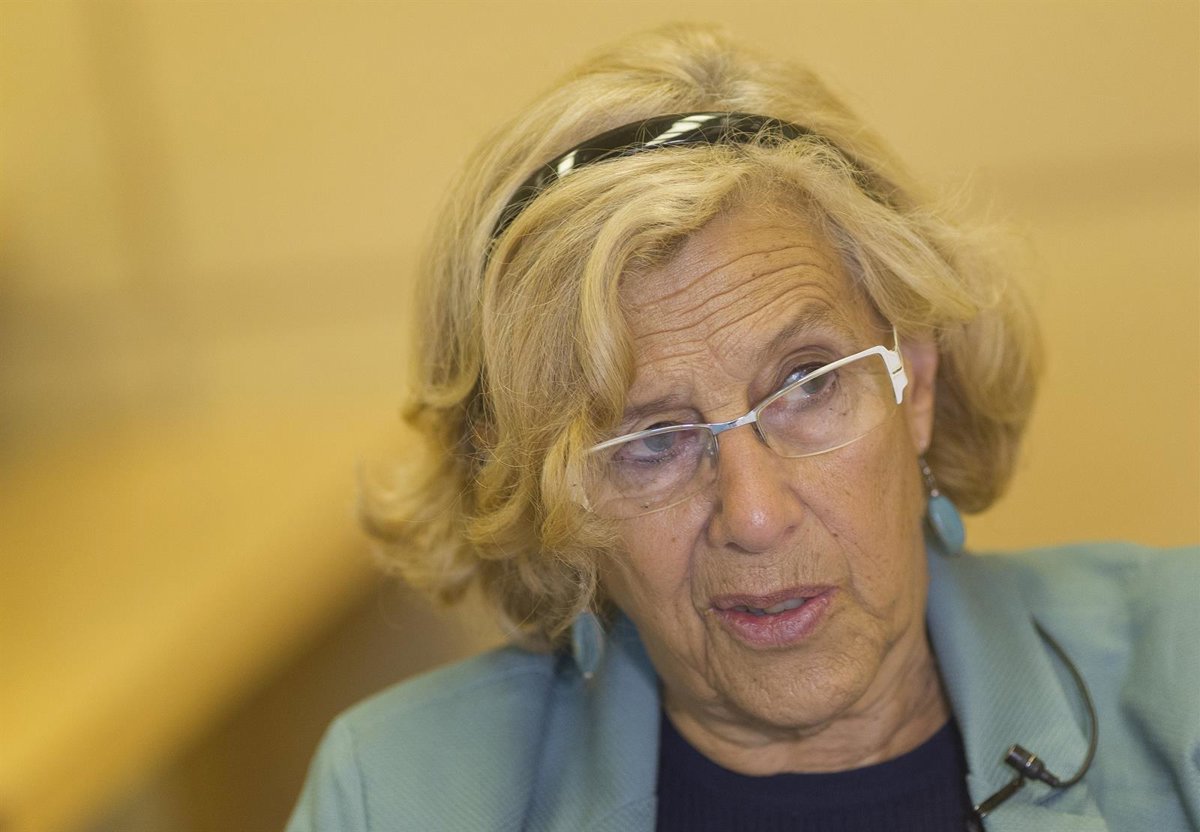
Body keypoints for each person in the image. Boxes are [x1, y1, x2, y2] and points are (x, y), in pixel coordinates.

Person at [287, 24, 1199, 832]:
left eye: (807, 384)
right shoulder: (396, 796)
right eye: (651, 439)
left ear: (916, 382)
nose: (755, 515)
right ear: (545, 501)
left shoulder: (1181, 675)